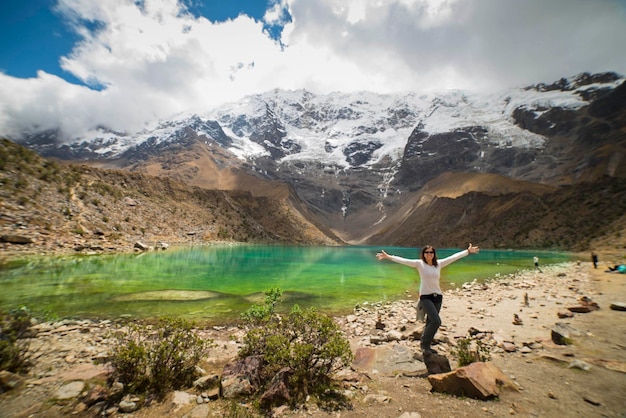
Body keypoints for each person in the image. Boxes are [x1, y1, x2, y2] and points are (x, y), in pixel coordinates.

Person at [376, 243, 480, 355]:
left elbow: (453, 257)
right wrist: (389, 257)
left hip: (438, 297)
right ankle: (424, 345)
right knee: (436, 321)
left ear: (434, 254)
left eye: (431, 252)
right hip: (425, 297)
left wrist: (467, 251)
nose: (429, 254)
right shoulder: (419, 264)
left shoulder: (438, 264)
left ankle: (427, 346)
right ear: (424, 254)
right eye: (427, 252)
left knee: (430, 322)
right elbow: (404, 260)